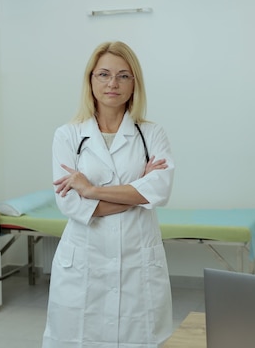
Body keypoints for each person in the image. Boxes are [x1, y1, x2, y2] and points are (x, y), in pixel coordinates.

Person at [43, 41, 175, 348]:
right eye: (103, 74)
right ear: (90, 80)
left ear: (134, 83)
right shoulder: (67, 135)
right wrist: (136, 189)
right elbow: (72, 204)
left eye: (123, 76)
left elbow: (159, 191)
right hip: (84, 262)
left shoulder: (152, 134)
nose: (112, 83)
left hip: (137, 259)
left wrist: (92, 190)